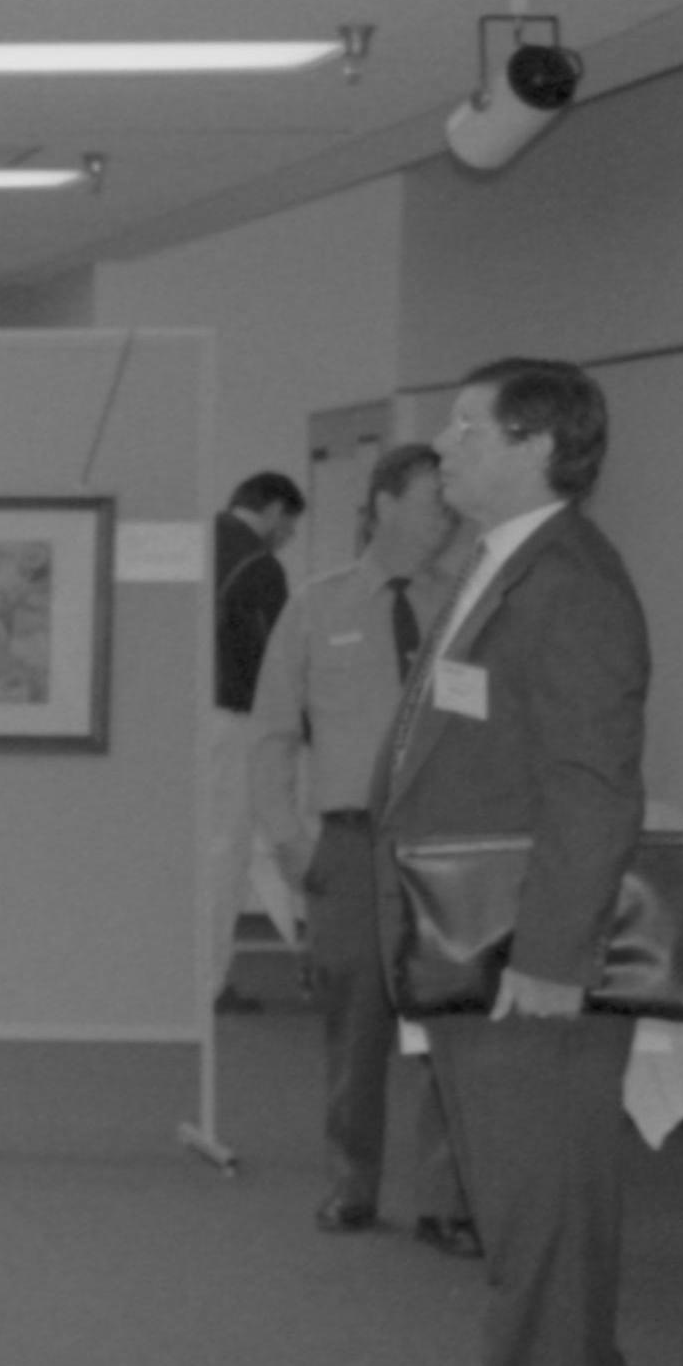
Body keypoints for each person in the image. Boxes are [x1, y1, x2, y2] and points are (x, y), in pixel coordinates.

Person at [377, 359, 650, 1366]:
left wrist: (547, 961)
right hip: (465, 930)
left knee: (534, 1209)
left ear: (537, 444)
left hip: (519, 947)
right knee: (524, 1197)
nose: (441, 445)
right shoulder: (503, 565)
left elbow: (592, 787)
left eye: (465, 425)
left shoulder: (569, 580)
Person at [246, 443, 478, 1253]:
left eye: (448, 506)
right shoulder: (315, 607)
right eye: (428, 502)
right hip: (347, 849)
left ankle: (448, 1201)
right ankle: (352, 1185)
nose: (442, 517)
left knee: (449, 1023)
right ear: (381, 503)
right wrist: (287, 846)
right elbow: (270, 737)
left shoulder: (467, 608)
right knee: (356, 1027)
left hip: (446, 849)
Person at [208, 470, 307, 1010]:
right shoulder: (260, 566)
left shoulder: (201, 543)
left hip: (195, 720)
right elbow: (276, 661)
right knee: (229, 849)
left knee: (220, 847)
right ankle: (209, 981)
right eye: (289, 525)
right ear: (274, 510)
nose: (287, 536)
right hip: (239, 720)